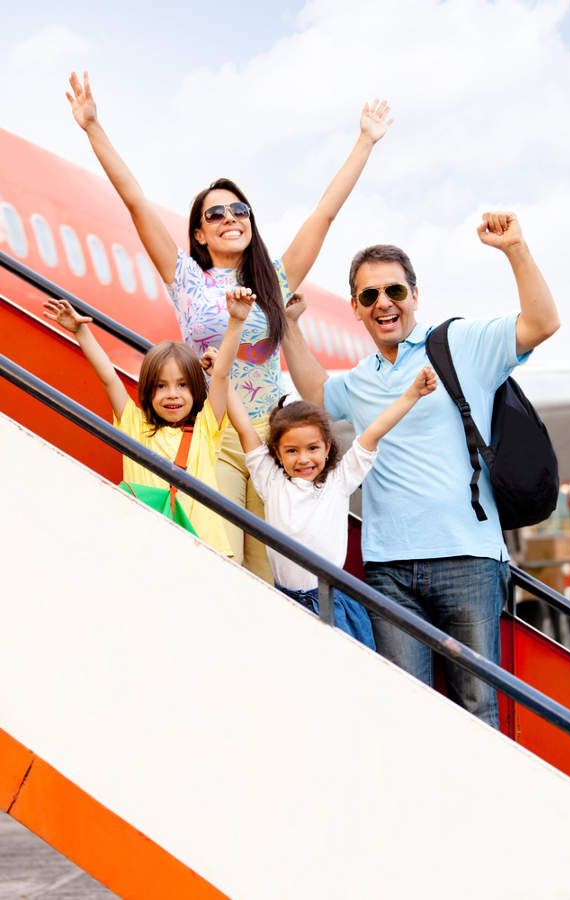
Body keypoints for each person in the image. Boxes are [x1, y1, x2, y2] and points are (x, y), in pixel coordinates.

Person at [66, 71, 393, 580]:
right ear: (198, 230)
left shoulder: (275, 280)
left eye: (238, 209)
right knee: (223, 562)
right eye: (214, 214)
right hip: (213, 434)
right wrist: (93, 128)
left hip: (272, 439)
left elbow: (324, 214)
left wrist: (364, 142)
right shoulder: (187, 280)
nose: (229, 218)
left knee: (272, 571)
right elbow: (135, 202)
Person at [280, 211, 560, 726]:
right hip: (390, 571)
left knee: (478, 709)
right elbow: (317, 393)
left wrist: (515, 248)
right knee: (406, 714)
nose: (383, 303)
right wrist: (292, 327)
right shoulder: (361, 380)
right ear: (357, 310)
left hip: (468, 559)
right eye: (369, 296)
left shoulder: (461, 345)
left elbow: (542, 323)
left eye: (394, 291)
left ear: (414, 294)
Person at [202, 335, 436, 647]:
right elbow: (244, 426)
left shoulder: (338, 481)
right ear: (278, 453)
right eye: (292, 451)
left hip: (330, 602)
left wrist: (412, 393)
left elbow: (375, 430)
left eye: (312, 448)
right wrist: (220, 375)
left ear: (327, 448)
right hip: (284, 600)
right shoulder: (271, 480)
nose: (303, 459)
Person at [43, 286, 256, 555]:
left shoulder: (205, 428)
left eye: (182, 385)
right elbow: (109, 377)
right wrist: (80, 331)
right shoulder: (135, 425)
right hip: (147, 543)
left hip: (202, 548)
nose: (172, 395)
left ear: (196, 389)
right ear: (148, 390)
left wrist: (236, 321)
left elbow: (222, 375)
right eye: (160, 386)